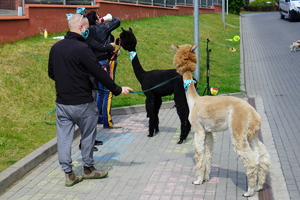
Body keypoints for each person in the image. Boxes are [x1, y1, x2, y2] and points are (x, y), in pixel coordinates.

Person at [48, 13, 132, 187]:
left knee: (63, 138)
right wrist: (117, 89)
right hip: (83, 103)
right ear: (80, 28)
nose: (88, 32)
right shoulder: (83, 49)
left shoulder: (56, 47)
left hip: (62, 103)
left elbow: (52, 73)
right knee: (88, 135)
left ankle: (69, 174)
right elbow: (100, 73)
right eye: (87, 29)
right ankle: (88, 169)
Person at [86, 11, 121, 129]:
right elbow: (116, 21)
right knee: (108, 92)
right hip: (105, 63)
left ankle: (98, 118)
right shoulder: (100, 27)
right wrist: (103, 20)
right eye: (98, 17)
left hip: (94, 63)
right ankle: (108, 121)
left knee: (100, 92)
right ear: (96, 20)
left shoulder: (88, 30)